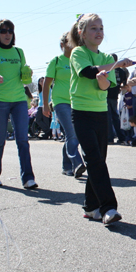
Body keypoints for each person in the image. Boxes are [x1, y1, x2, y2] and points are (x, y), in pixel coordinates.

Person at [69, 13, 132, 225]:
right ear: (82, 33)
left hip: (100, 113)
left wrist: (104, 76)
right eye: (93, 28)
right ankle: (108, 207)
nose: (99, 32)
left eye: (101, 28)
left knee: (98, 161)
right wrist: (115, 66)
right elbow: (86, 72)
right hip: (81, 113)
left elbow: (105, 86)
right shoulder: (78, 52)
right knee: (94, 160)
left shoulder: (106, 58)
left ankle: (90, 206)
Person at [0, 19, 38, 189]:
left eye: (10, 31)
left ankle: (28, 178)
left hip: (19, 100)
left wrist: (27, 73)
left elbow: (24, 76)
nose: (7, 34)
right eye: (3, 31)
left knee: (22, 139)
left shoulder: (19, 52)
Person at [43, 32, 85, 177]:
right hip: (60, 102)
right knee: (72, 133)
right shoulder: (56, 61)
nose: (73, 44)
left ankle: (66, 166)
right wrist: (44, 105)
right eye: (69, 42)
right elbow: (47, 84)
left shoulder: (78, 60)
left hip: (77, 101)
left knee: (72, 135)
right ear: (62, 45)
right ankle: (77, 163)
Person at [107, 53, 129, 144]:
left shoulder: (108, 70)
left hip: (107, 96)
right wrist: (119, 88)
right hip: (115, 96)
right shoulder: (121, 71)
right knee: (116, 117)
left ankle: (110, 138)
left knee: (108, 117)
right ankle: (121, 137)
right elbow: (124, 84)